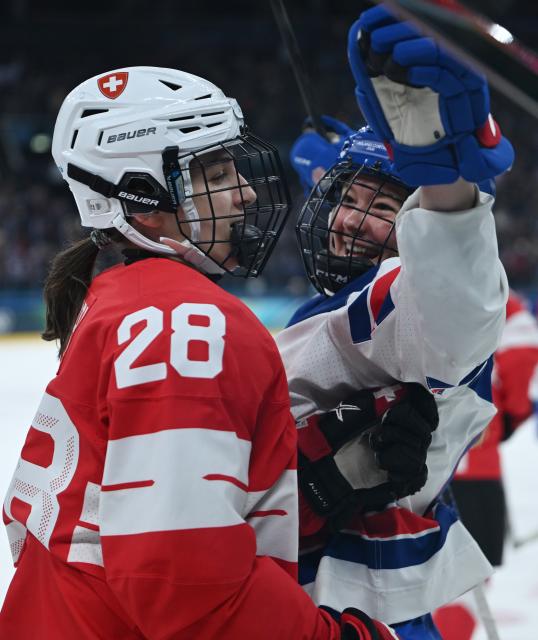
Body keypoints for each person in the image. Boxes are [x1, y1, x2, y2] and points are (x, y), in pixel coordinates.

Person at [0, 66, 402, 640]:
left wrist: (316, 485)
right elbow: (184, 581)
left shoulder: (119, 297)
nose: (243, 191)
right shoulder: (184, 322)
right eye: (215, 171)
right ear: (142, 198)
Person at [276, 5, 514, 639]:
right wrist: (337, 169)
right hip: (302, 599)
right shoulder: (340, 299)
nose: (351, 220)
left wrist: (445, 186)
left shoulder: (416, 300)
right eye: (344, 199)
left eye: (382, 207)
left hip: (362, 610)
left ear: (416, 226)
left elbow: (451, 293)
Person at [433, 289, 538, 639]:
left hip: (415, 465)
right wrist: (507, 419)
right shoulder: (497, 294)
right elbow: (523, 360)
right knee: (463, 582)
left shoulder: (407, 281)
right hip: (470, 467)